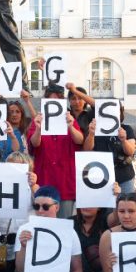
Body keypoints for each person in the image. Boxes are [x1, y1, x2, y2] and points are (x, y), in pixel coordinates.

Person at [26, 84, 84, 218]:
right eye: (50, 100)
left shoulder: (69, 119)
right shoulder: (38, 121)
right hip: (44, 180)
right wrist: (39, 128)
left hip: (65, 182)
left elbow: (80, 140)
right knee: (43, 221)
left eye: (57, 100)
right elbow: (34, 143)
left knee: (64, 222)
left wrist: (70, 126)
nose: (54, 104)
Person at [83, 105, 136, 193]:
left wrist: (123, 140)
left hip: (124, 176)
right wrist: (91, 134)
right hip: (101, 176)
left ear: (120, 112)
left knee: (127, 203)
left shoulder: (126, 128)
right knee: (105, 206)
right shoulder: (95, 129)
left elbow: (131, 151)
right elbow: (87, 150)